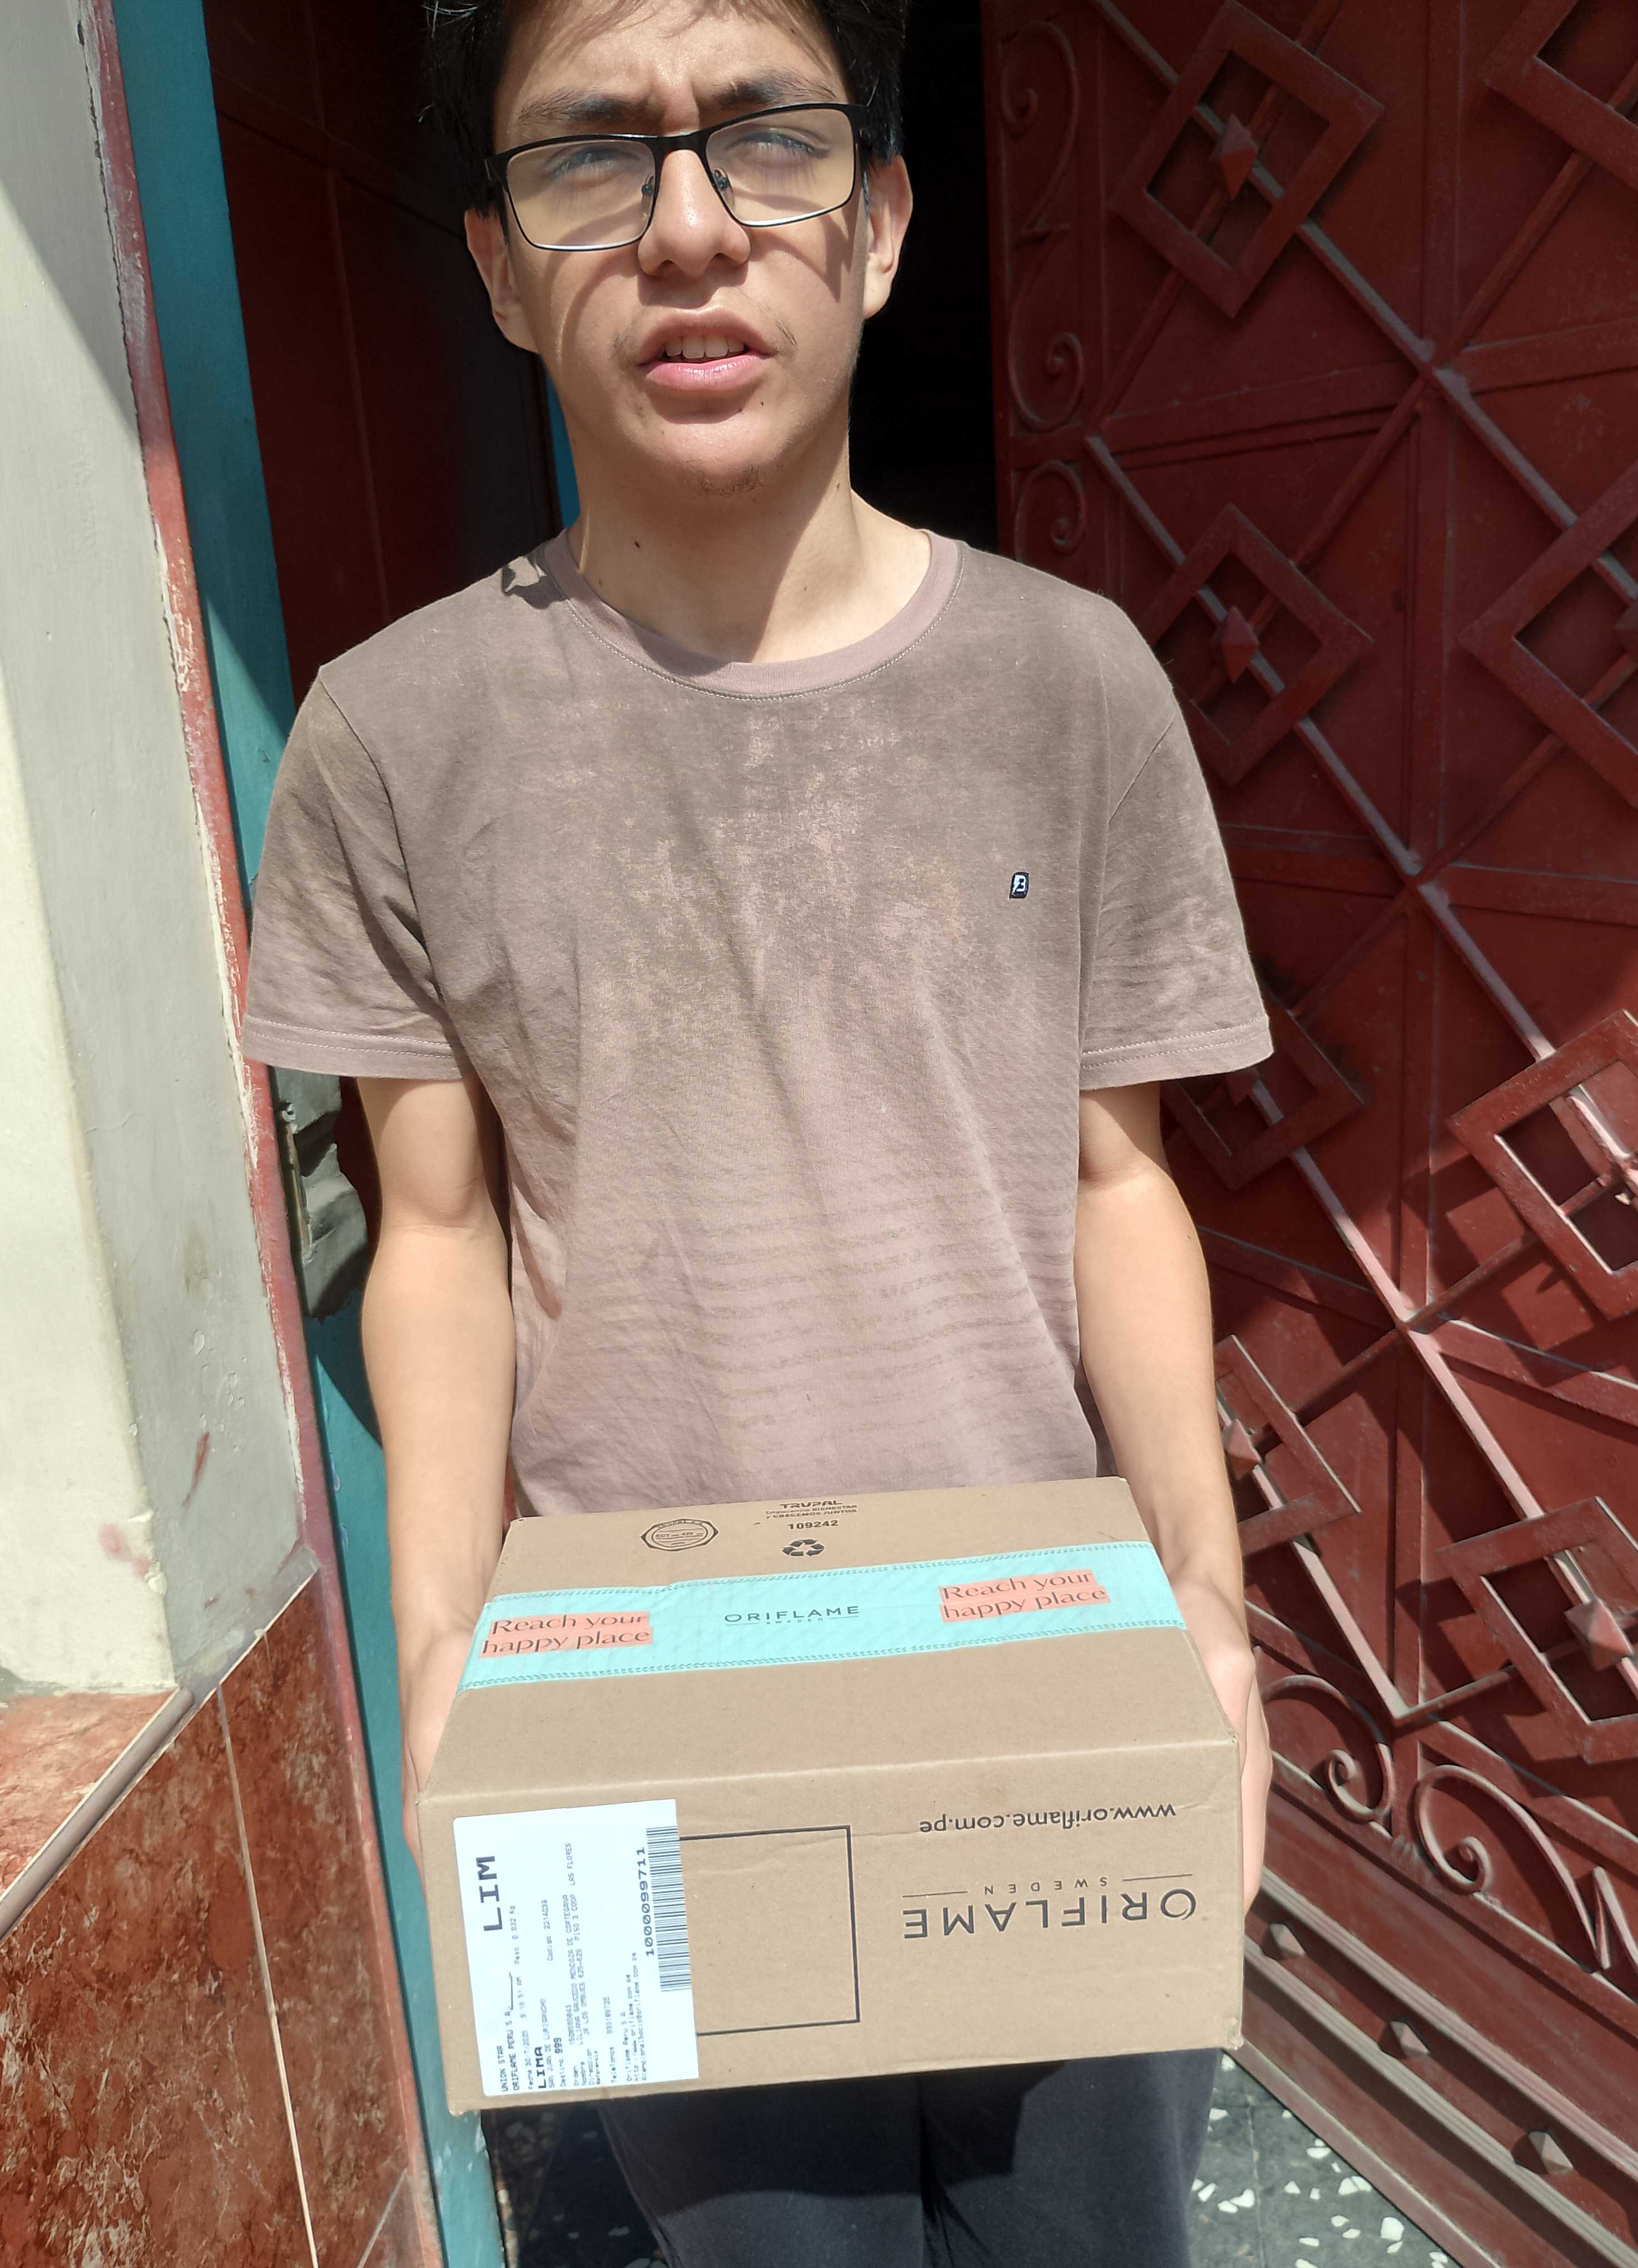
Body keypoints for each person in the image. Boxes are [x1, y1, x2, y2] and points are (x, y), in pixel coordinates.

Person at [241, 0, 1274, 2259]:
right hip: (652, 1735)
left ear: (882, 226)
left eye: (766, 140)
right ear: (498, 266)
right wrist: (446, 1658)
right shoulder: (390, 737)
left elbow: (1119, 1180)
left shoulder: (1071, 682)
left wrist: (1204, 1602)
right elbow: (436, 1237)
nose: (690, 228)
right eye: (591, 156)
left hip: (1044, 1689)